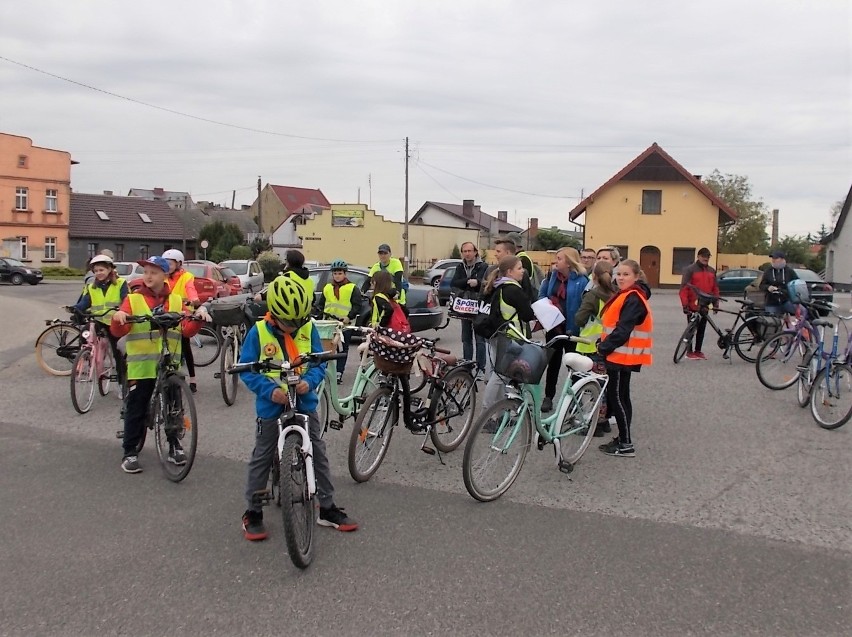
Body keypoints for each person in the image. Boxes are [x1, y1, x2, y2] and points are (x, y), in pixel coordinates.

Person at [239, 276, 358, 541]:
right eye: (288, 323)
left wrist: (309, 381)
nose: (294, 328)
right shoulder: (258, 333)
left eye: (298, 322)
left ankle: (326, 507)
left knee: (317, 449)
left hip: (303, 402)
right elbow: (246, 370)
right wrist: (270, 390)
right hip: (272, 404)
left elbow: (318, 363)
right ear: (274, 314)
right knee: (262, 453)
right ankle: (253, 511)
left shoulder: (308, 327)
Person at [110, 257, 206, 474]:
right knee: (137, 406)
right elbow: (118, 331)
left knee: (174, 406)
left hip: (169, 363)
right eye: (146, 272)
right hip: (142, 365)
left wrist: (198, 318)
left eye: (154, 272)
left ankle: (174, 445)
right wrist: (119, 316)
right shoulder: (133, 299)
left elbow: (186, 330)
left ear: (164, 275)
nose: (148, 276)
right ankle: (130, 451)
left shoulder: (175, 300)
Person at [596, 259, 653, 458]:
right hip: (620, 354)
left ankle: (626, 443)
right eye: (618, 274)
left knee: (618, 398)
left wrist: (604, 346)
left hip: (621, 356)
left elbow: (623, 329)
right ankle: (623, 438)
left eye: (626, 274)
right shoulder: (627, 295)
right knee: (622, 397)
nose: (620, 278)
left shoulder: (633, 298)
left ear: (636, 277)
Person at [481, 256, 536, 424]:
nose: (523, 271)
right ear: (510, 272)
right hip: (511, 337)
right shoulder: (513, 290)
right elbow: (527, 314)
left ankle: (500, 412)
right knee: (500, 376)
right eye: (519, 268)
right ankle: (489, 415)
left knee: (501, 375)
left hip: (501, 335)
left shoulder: (500, 286)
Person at [537, 247, 588, 413]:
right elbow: (542, 295)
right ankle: (548, 397)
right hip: (554, 326)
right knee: (553, 363)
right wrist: (546, 306)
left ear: (568, 261)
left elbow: (584, 304)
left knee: (573, 364)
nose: (555, 261)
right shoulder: (552, 277)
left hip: (572, 328)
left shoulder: (581, 280)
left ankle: (574, 398)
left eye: (559, 258)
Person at [574, 260, 617, 436]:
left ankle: (595, 422)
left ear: (594, 277)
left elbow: (579, 319)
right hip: (611, 344)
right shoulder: (617, 294)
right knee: (605, 384)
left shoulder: (593, 295)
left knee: (591, 385)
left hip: (591, 345)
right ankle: (605, 420)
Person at [74, 254, 129, 389]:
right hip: (98, 320)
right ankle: (87, 357)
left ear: (110, 269)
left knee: (118, 353)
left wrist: (122, 311)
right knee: (84, 333)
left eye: (101, 270)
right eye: (96, 271)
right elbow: (85, 301)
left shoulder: (121, 283)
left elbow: (126, 301)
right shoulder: (92, 287)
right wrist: (75, 309)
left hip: (114, 322)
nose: (98, 273)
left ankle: (123, 384)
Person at [313, 259, 364, 383]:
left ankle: (339, 372)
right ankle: (324, 371)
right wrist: (318, 315)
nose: (337, 276)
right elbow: (321, 304)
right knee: (326, 349)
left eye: (340, 273)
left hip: (344, 324)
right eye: (335, 273)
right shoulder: (327, 288)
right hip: (329, 324)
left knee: (342, 349)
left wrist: (349, 316)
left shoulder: (352, 288)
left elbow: (357, 306)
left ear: (345, 274)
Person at [162, 249, 201, 393]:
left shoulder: (187, 277)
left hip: (182, 315)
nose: (167, 266)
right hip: (165, 314)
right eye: (165, 263)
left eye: (170, 263)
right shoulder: (163, 277)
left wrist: (194, 300)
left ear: (178, 263)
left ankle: (192, 379)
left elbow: (191, 290)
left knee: (185, 345)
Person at [450, 241, 488, 377]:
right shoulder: (460, 266)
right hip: (464, 307)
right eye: (464, 251)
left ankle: (481, 368)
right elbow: (454, 283)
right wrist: (469, 282)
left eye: (469, 251)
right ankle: (467, 367)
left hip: (478, 307)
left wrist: (477, 283)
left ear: (475, 252)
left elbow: (485, 284)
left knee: (480, 339)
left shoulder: (483, 266)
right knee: (466, 338)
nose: (467, 253)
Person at [678, 247, 720, 360]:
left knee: (702, 329)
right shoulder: (690, 270)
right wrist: (685, 304)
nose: (705, 258)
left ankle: (698, 351)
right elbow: (684, 288)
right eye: (703, 256)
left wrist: (716, 303)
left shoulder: (711, 271)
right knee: (691, 329)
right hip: (692, 304)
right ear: (698, 256)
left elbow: (715, 288)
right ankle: (689, 351)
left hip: (705, 304)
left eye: (708, 256)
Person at [759, 250, 799, 315]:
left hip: (786, 300)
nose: (773, 260)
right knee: (772, 321)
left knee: (802, 312)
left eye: (776, 258)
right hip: (771, 302)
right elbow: (761, 285)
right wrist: (768, 287)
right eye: (772, 258)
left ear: (782, 259)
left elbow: (796, 283)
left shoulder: (789, 271)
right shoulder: (768, 271)